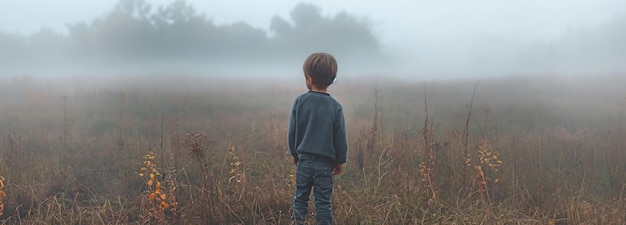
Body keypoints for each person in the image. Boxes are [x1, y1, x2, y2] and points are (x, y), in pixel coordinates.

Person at [288, 52, 348, 225]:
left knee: (300, 199)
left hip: (304, 161)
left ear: (308, 78)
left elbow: (292, 132)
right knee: (323, 203)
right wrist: (339, 160)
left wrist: (295, 153)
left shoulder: (299, 102)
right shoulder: (335, 107)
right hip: (325, 164)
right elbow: (340, 138)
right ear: (332, 79)